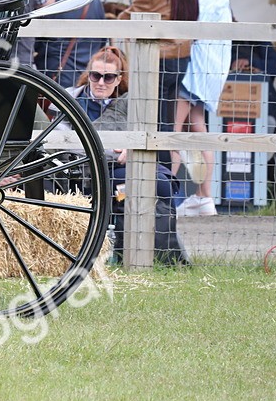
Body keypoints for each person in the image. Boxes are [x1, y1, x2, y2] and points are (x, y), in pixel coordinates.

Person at [64, 47, 187, 265]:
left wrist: (133, 148)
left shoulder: (131, 103)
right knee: (135, 187)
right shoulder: (70, 99)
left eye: (109, 77)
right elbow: (63, 144)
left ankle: (160, 254)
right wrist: (113, 150)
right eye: (95, 75)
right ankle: (134, 253)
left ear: (119, 78)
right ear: (88, 74)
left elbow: (149, 138)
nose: (101, 82)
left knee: (161, 184)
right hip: (87, 173)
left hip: (122, 170)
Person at [118, 0, 198, 142]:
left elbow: (123, 19)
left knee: (150, 123)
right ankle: (166, 170)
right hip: (181, 61)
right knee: (166, 122)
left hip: (157, 62)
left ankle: (157, 171)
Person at [174, 0, 232, 217]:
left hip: (194, 68)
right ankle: (204, 197)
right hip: (209, 69)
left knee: (169, 132)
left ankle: (161, 197)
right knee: (198, 128)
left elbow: (190, 26)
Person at [36, 0, 105, 87]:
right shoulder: (94, 1)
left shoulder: (48, 3)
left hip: (52, 79)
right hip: (87, 79)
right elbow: (101, 41)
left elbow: (36, 43)